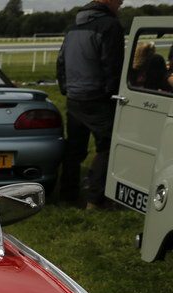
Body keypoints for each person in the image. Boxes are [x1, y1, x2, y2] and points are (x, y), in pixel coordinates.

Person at [56, 0, 125, 210]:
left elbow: (61, 62)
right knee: (108, 146)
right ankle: (95, 199)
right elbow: (113, 64)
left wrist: (66, 89)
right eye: (119, 1)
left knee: (74, 149)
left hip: (75, 97)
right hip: (98, 98)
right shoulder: (110, 26)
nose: (121, 4)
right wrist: (111, 93)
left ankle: (67, 195)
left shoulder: (73, 27)